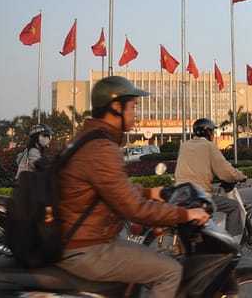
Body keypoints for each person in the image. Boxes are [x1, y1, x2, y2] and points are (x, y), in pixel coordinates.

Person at [56, 75, 210, 298]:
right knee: (170, 271)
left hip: (79, 240)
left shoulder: (86, 139)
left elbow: (113, 189)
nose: (135, 113)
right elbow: (135, 210)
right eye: (133, 107)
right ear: (116, 108)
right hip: (86, 248)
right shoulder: (102, 148)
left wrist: (150, 192)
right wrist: (185, 214)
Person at [175, 118, 247, 243]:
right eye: (212, 132)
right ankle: (230, 246)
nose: (213, 135)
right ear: (208, 132)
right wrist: (241, 176)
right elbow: (225, 171)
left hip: (180, 193)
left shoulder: (185, 145)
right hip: (199, 195)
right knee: (234, 207)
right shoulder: (209, 146)